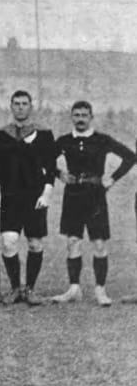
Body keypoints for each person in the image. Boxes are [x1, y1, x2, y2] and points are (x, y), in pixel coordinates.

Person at [50, 100, 136, 306]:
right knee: (73, 242)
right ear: (71, 117)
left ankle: (100, 290)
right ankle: (73, 289)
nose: (80, 119)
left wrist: (112, 178)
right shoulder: (64, 140)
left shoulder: (102, 140)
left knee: (98, 242)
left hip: (95, 196)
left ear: (91, 117)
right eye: (77, 115)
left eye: (84, 115)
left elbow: (130, 157)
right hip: (72, 195)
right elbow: (43, 158)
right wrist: (59, 173)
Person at [0, 90, 55, 306]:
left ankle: (30, 289)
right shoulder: (1, 134)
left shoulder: (44, 134)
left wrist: (47, 192)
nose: (20, 107)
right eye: (16, 103)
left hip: (35, 197)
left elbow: (51, 166)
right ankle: (15, 288)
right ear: (11, 106)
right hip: (10, 196)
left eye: (24, 103)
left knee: (35, 242)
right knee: (8, 242)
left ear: (31, 106)